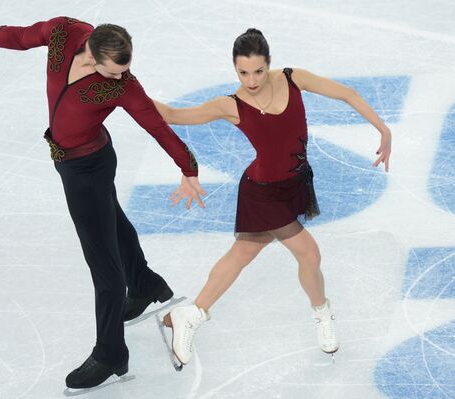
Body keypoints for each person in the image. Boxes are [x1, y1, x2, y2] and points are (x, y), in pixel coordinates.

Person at [0, 17, 206, 389]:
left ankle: (110, 353)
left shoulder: (123, 86)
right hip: (73, 163)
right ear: (91, 55)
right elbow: (21, 36)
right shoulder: (62, 33)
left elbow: (155, 124)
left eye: (125, 71)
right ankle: (146, 283)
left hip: (88, 167)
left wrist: (189, 168)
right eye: (115, 72)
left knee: (102, 263)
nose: (122, 79)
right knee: (112, 222)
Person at [154, 28, 392, 366]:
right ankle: (323, 316)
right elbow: (174, 115)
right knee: (309, 253)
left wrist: (383, 128)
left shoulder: (294, 80)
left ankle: (187, 314)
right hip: (262, 193)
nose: (251, 80)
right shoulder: (231, 106)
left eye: (258, 71)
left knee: (242, 254)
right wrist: (124, 88)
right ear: (235, 70)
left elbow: (347, 93)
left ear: (269, 65)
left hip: (293, 185)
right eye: (243, 72)